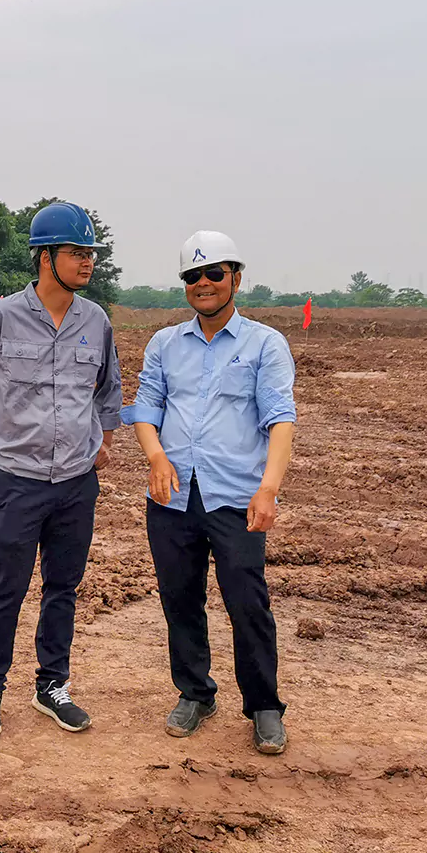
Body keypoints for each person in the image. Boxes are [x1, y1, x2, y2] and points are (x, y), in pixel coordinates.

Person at [0, 202, 122, 740]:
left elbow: (109, 388)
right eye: (76, 252)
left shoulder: (95, 321)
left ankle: (52, 685)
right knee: (6, 588)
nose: (87, 261)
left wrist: (104, 441)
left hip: (75, 483)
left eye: (90, 252)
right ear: (45, 257)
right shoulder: (0, 316)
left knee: (63, 588)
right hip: (18, 480)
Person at [123, 230, 297, 755]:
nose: (204, 283)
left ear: (235, 279)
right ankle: (195, 693)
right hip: (172, 497)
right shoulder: (164, 345)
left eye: (214, 273)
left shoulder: (264, 344)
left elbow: (280, 420)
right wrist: (156, 456)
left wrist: (268, 489)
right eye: (193, 276)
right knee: (180, 598)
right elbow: (147, 408)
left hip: (236, 497)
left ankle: (264, 705)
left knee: (246, 601)